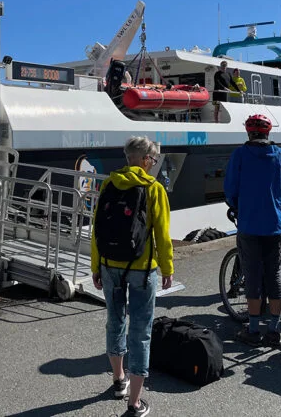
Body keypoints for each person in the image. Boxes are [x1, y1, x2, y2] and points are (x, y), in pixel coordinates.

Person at [91, 136, 173, 417]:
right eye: (152, 159)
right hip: (141, 269)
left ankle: (118, 381)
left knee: (114, 322)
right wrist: (167, 268)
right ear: (144, 159)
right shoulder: (153, 188)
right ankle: (134, 404)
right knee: (140, 331)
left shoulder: (109, 184)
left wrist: (95, 265)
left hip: (109, 265)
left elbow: (96, 228)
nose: (153, 163)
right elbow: (162, 234)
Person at [224, 114, 281, 346]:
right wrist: (278, 208)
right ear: (267, 133)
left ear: (248, 132)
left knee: (253, 275)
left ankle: (253, 330)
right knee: (274, 274)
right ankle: (273, 330)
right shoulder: (280, 155)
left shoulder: (240, 155)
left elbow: (230, 188)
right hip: (274, 224)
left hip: (248, 224)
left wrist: (236, 206)